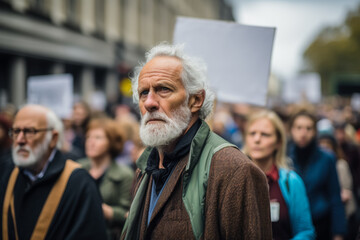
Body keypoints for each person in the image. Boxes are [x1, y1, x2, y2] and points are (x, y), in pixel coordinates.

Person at [120, 43, 272, 239]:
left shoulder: (234, 170)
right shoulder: (144, 168)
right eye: (143, 93)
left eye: (163, 89)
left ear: (195, 100)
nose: (149, 103)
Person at [1, 104, 107, 240]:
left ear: (53, 138)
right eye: (16, 131)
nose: (20, 140)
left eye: (29, 131)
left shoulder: (80, 183)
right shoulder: (7, 173)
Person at [243, 109, 315, 240]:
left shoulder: (291, 182)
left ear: (278, 142)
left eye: (265, 134)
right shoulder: (236, 180)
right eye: (252, 133)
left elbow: (306, 231)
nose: (257, 139)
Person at [287, 109, 347, 240]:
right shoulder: (284, 157)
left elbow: (335, 197)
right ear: (291, 130)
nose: (303, 133)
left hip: (321, 223)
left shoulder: (327, 158)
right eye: (299, 128)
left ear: (315, 132)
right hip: (292, 225)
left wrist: (338, 233)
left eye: (308, 128)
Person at [78, 117, 134, 239]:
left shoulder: (125, 174)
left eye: (98, 137)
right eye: (88, 137)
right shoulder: (77, 168)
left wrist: (106, 211)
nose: (90, 142)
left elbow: (130, 214)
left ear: (111, 142)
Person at [318, 132, 358, 240]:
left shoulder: (340, 165)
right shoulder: (318, 166)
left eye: (327, 144)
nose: (324, 147)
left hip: (345, 213)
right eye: (321, 144)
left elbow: (346, 190)